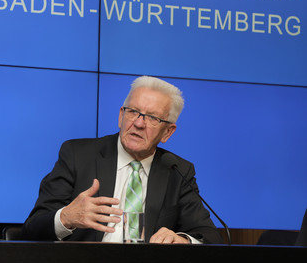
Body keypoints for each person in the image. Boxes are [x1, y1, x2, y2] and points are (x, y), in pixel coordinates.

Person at [21, 76, 223, 244]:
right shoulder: (77, 155)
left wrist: (183, 241)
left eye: (152, 118)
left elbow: (209, 236)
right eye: (133, 112)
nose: (138, 123)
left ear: (167, 132)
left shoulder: (177, 170)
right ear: (121, 116)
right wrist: (66, 218)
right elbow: (32, 229)